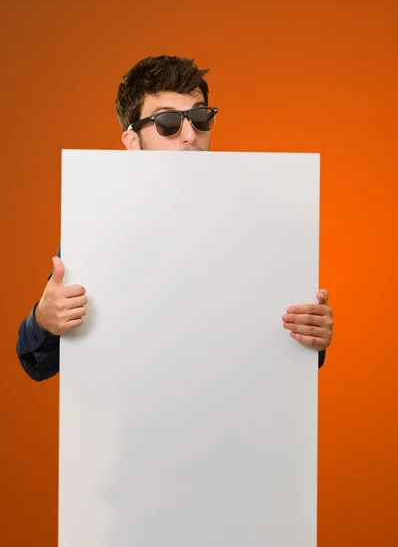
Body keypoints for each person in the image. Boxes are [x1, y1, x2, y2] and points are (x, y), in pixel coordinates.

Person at [16, 55, 334, 382]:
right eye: (167, 122)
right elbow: (38, 364)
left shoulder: (264, 224)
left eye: (199, 118)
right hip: (131, 425)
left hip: (238, 426)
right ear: (133, 142)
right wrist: (44, 319)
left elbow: (281, 350)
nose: (189, 135)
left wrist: (312, 334)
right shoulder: (95, 228)